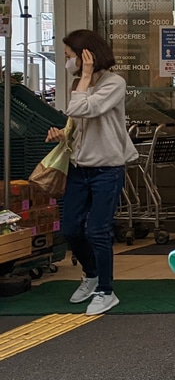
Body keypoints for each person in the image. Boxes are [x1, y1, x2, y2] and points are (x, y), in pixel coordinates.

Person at [47, 30, 137, 316]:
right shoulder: (81, 84)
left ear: (87, 56)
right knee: (71, 228)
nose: (67, 63)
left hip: (107, 168)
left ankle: (105, 291)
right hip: (79, 167)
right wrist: (62, 133)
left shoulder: (114, 83)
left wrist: (84, 78)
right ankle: (91, 274)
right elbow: (77, 120)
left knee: (98, 230)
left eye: (69, 57)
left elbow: (81, 108)